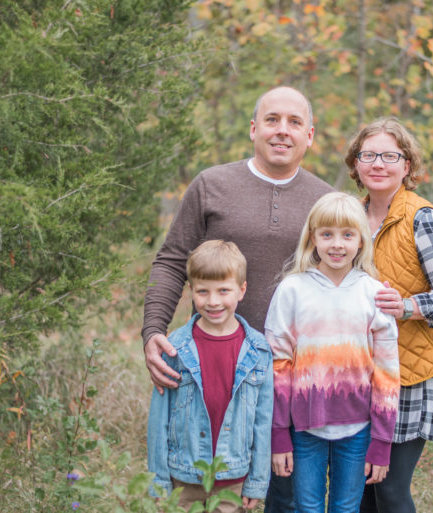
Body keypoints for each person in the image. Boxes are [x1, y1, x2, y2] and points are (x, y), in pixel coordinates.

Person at [141, 86, 334, 513]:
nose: (282, 131)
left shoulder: (325, 200)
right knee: (205, 484)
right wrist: (153, 331)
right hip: (213, 365)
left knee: (284, 490)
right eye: (271, 120)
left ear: (310, 136)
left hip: (294, 370)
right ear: (253, 129)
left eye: (294, 122)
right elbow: (172, 260)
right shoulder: (212, 185)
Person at [344, 118, 433, 513]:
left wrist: (409, 306)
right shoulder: (348, 218)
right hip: (358, 369)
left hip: (412, 372)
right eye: (368, 155)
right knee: (360, 487)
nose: (378, 164)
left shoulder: (422, 218)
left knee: (391, 488)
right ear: (356, 164)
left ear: (407, 165)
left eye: (389, 155)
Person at [265, 192, 400, 513]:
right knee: (307, 507)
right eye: (327, 234)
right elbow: (277, 365)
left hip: (357, 429)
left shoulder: (374, 293)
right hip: (304, 427)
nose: (337, 244)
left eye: (347, 235)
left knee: (345, 508)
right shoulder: (292, 290)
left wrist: (381, 441)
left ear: (362, 241)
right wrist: (279, 432)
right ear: (313, 239)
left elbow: (387, 373)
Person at [146, 240, 272, 512]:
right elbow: (159, 419)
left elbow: (263, 420)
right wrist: (158, 483)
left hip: (233, 479)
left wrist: (257, 482)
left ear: (242, 290)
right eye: (203, 291)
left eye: (223, 290)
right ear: (191, 291)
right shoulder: (174, 348)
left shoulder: (258, 350)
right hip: (184, 477)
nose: (213, 301)